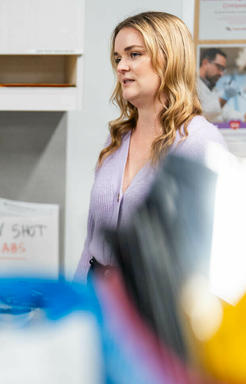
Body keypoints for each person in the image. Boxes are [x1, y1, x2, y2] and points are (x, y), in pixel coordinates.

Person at [76, 11, 227, 282]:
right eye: (117, 58)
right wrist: (74, 302)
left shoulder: (198, 143)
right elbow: (91, 242)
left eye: (134, 54)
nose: (121, 66)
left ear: (169, 59)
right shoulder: (116, 140)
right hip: (96, 291)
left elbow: (207, 251)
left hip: (153, 299)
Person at [197, 47, 244, 122]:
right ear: (205, 63)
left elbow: (226, 112)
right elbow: (201, 113)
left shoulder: (213, 89)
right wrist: (224, 97)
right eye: (219, 67)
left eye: (223, 70)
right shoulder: (191, 85)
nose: (221, 74)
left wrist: (243, 117)